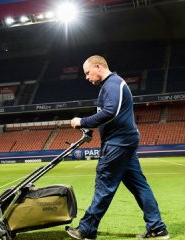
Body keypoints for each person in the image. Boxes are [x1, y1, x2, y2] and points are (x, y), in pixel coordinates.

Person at [66, 55, 169, 239]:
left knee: (104, 185)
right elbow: (109, 115)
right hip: (123, 141)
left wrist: (82, 121)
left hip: (118, 143)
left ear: (98, 67)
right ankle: (157, 228)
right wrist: (90, 128)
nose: (87, 77)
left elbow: (110, 112)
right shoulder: (109, 85)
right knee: (139, 186)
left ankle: (86, 229)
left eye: (88, 72)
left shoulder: (113, 84)